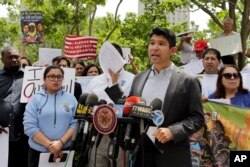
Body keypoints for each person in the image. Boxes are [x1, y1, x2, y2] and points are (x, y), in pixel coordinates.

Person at [129, 27, 204, 167]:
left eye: (161, 44)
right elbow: (129, 109)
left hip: (173, 156)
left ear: (173, 50)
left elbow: (198, 118)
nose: (155, 48)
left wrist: (173, 131)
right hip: (142, 154)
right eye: (152, 43)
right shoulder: (138, 79)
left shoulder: (188, 80)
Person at [86, 43, 134, 167]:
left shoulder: (133, 79)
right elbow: (85, 106)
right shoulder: (95, 81)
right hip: (97, 135)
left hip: (122, 134)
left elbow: (130, 107)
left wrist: (113, 85)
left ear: (121, 58)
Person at [23, 65, 77, 167]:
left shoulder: (71, 98)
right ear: (44, 79)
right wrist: (50, 145)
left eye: (59, 77)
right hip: (38, 152)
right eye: (51, 76)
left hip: (64, 150)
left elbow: (76, 122)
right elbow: (29, 126)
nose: (55, 80)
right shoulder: (35, 99)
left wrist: (60, 143)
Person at [0, 46, 29, 167]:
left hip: (25, 135)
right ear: (2, 59)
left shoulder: (30, 77)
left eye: (16, 56)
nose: (14, 59)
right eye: (10, 57)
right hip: (2, 134)